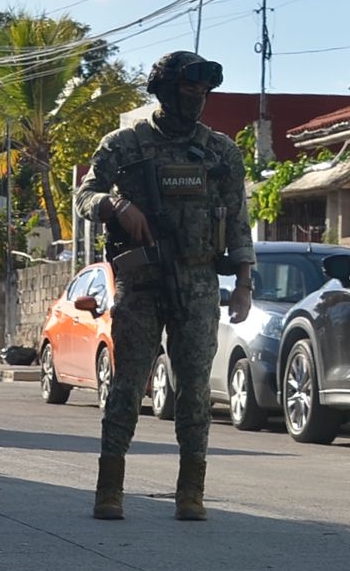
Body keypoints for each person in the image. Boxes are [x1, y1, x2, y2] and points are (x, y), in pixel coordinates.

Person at [75, 51, 254, 522]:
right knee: (128, 384)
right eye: (188, 91)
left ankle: (190, 492)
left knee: (194, 388)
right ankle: (109, 489)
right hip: (141, 281)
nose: (197, 99)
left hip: (197, 281)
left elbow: (238, 221)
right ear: (165, 91)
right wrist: (117, 206)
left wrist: (244, 284)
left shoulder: (219, 151)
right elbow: (84, 195)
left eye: (203, 93)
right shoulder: (125, 144)